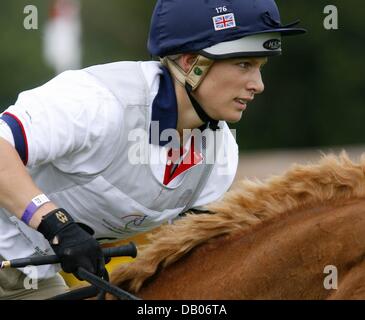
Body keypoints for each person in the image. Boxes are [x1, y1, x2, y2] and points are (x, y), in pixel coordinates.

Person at [0, 0, 306, 299]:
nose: (258, 84)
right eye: (244, 64)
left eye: (259, 67)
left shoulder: (221, 154)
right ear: (191, 63)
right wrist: (57, 225)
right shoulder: (98, 100)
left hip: (25, 280)